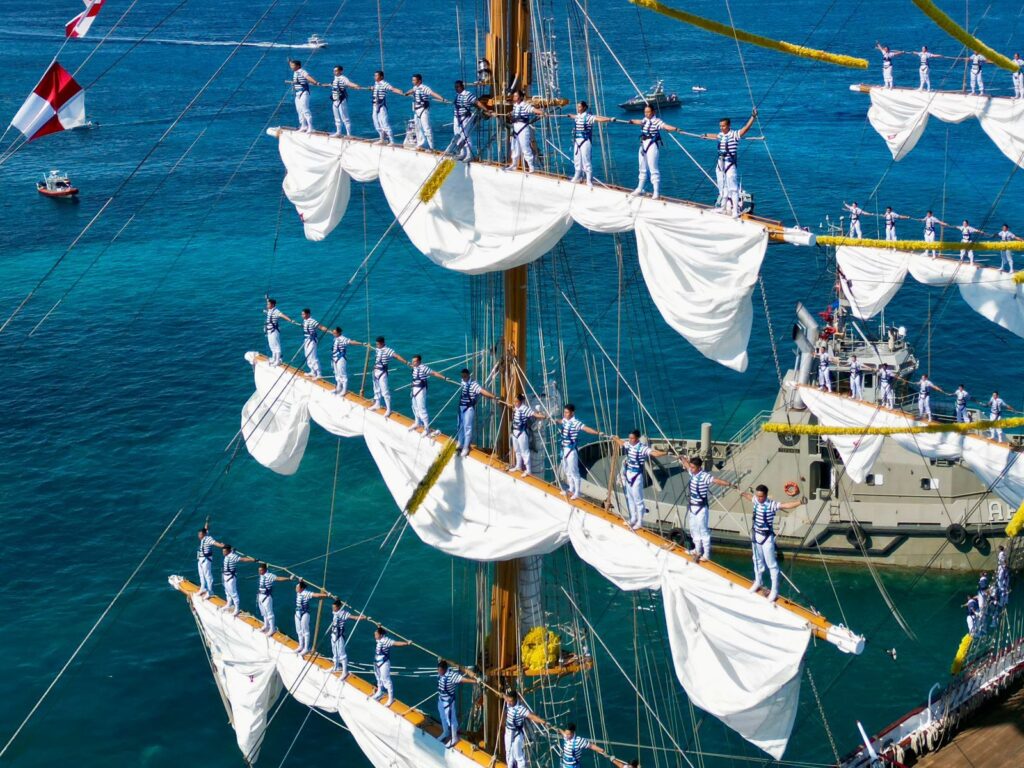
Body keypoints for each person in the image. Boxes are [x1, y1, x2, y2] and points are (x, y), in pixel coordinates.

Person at [739, 485, 805, 602]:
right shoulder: (755, 500)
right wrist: (742, 493)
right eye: (757, 496)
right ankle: (758, 581)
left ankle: (774, 590)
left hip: (767, 537)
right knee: (756, 560)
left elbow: (785, 505)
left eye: (761, 496)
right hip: (756, 536)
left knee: (772, 565)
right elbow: (750, 497)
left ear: (765, 495)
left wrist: (800, 502)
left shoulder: (772, 505)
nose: (759, 498)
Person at [702, 110, 757, 217]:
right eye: (720, 126)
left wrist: (753, 117)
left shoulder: (734, 134)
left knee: (733, 189)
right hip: (720, 164)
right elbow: (714, 136)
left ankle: (735, 210)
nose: (721, 128)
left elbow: (746, 128)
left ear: (728, 126)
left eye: (723, 126)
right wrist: (705, 135)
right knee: (722, 188)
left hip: (730, 164)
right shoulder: (720, 135)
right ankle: (722, 208)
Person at [614, 431, 670, 530]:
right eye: (629, 438)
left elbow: (654, 453)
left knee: (638, 500)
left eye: (632, 438)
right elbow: (622, 443)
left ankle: (640, 521)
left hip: (636, 476)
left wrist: (666, 452)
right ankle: (633, 518)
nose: (630, 440)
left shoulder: (642, 448)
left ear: (637, 438)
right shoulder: (628, 445)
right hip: (628, 475)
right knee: (630, 498)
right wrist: (615, 438)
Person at [685, 456, 734, 561]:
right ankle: (697, 549)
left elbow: (716, 481)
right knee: (694, 529)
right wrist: (682, 459)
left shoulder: (704, 476)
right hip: (692, 507)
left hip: (701, 508)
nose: (691, 469)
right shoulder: (692, 473)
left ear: (698, 467)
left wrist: (729, 484)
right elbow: (686, 465)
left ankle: (706, 554)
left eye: (693, 467)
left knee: (703, 530)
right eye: (691, 467)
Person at [627, 105, 682, 200]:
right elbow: (640, 121)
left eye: (648, 112)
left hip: (652, 145)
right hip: (643, 144)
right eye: (645, 112)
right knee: (642, 167)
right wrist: (631, 121)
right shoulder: (645, 119)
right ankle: (639, 188)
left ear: (653, 112)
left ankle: (656, 192)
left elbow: (665, 126)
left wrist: (676, 129)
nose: (646, 113)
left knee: (653, 168)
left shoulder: (657, 121)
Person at [549, 404, 602, 500]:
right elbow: (562, 421)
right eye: (564, 412)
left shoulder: (576, 423)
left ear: (572, 413)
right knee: (567, 471)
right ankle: (571, 489)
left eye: (567, 412)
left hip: (571, 450)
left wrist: (597, 433)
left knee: (574, 472)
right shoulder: (565, 420)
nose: (565, 414)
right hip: (564, 449)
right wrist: (556, 421)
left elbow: (585, 428)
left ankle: (577, 492)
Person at [559, 101, 611, 187]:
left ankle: (588, 180)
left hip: (585, 141)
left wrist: (609, 119)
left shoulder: (588, 117)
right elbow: (574, 116)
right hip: (577, 141)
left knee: (586, 161)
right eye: (577, 107)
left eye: (579, 107)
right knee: (577, 160)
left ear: (583, 108)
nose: (577, 108)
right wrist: (569, 115)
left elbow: (598, 119)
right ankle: (576, 176)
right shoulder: (578, 116)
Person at [455, 368, 497, 457]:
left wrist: (493, 396)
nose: (463, 378)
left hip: (469, 409)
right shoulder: (463, 382)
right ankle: (460, 444)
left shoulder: (474, 384)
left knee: (467, 428)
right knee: (460, 426)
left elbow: (482, 391)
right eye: (462, 376)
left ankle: (466, 447)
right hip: (461, 408)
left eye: (465, 376)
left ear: (468, 375)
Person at [436, 659, 475, 748]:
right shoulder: (440, 672)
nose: (439, 672)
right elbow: (442, 661)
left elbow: (463, 679)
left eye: (440, 670)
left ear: (445, 669)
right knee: (443, 717)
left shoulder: (452, 676)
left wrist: (475, 681)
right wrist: (442, 659)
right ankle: (445, 732)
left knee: (451, 720)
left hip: (448, 703)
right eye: (438, 670)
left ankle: (454, 737)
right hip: (441, 700)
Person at [404, 74, 448, 150]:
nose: (413, 81)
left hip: (423, 110)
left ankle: (431, 147)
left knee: (426, 128)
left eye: (414, 80)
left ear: (419, 81)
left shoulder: (424, 88)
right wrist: (407, 93)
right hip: (416, 110)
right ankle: (420, 144)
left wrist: (442, 99)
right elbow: (412, 90)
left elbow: (432, 93)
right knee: (418, 128)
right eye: (412, 80)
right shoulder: (415, 87)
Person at [505, 90, 544, 173]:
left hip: (523, 128)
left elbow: (532, 109)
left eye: (516, 96)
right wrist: (510, 114)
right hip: (516, 128)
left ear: (521, 97)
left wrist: (541, 112)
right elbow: (515, 113)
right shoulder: (515, 105)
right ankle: (514, 164)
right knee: (515, 147)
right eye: (514, 96)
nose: (514, 98)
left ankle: (531, 166)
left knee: (525, 147)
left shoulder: (525, 105)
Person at [503, 689, 544, 768]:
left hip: (516, 734)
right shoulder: (508, 703)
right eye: (509, 700)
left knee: (519, 756)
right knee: (509, 753)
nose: (509, 703)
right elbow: (505, 697)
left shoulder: (521, 709)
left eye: (511, 701)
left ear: (515, 699)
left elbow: (532, 716)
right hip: (508, 732)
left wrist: (544, 722)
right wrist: (502, 694)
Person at [372, 625, 412, 706]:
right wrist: (379, 626)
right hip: (377, 662)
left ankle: (390, 698)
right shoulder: (378, 639)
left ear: (380, 635)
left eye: (376, 634)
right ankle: (380, 691)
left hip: (384, 663)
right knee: (378, 677)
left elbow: (396, 643)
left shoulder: (386, 641)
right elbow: (382, 631)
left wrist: (407, 643)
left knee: (386, 680)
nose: (374, 636)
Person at [408, 354, 448, 433]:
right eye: (412, 361)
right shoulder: (414, 367)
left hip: (420, 390)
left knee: (422, 409)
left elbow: (434, 373)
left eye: (414, 361)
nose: (413, 363)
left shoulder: (424, 368)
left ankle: (426, 428)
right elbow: (411, 367)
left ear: (419, 361)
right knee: (414, 407)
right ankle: (417, 422)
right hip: (414, 389)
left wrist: (445, 378)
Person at [452, 80, 489, 161]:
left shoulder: (468, 94)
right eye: (455, 87)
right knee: (457, 135)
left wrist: (486, 109)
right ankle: (462, 153)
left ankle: (469, 155)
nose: (456, 88)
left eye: (457, 87)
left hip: (464, 118)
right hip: (456, 118)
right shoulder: (458, 95)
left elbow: (477, 102)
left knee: (465, 136)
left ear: (462, 87)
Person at [321, 65, 362, 137]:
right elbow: (332, 84)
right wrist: (325, 85)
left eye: (336, 71)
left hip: (341, 100)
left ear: (341, 71)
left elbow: (349, 83)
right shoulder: (335, 78)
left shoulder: (343, 78)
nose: (334, 72)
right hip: (334, 100)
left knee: (345, 117)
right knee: (336, 117)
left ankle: (349, 134)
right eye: (334, 71)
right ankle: (338, 132)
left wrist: (356, 86)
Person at [371, 336, 407, 417]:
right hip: (375, 371)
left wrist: (406, 362)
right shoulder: (377, 349)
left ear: (382, 343)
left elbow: (396, 356)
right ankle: (377, 404)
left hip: (382, 372)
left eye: (378, 344)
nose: (377, 345)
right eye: (376, 344)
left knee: (385, 391)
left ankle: (389, 409)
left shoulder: (388, 350)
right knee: (376, 389)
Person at [508, 393, 543, 476]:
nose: (515, 403)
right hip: (515, 432)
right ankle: (518, 466)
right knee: (517, 451)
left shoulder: (524, 409)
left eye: (516, 401)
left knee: (525, 452)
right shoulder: (516, 408)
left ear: (521, 401)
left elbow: (533, 414)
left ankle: (528, 470)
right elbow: (513, 408)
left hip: (521, 433)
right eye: (514, 401)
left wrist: (543, 416)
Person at [328, 599, 365, 677]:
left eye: (334, 607)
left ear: (338, 607)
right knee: (334, 652)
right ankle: (336, 667)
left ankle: (345, 672)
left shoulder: (343, 613)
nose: (333, 609)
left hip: (339, 636)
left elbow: (354, 617)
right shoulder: (335, 612)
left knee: (342, 654)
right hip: (333, 635)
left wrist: (363, 617)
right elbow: (337, 604)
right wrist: (337, 599)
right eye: (333, 607)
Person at [294, 579, 331, 656]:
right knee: (299, 631)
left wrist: (327, 595)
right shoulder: (299, 592)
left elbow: (316, 595)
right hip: (297, 613)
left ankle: (306, 648)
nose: (296, 588)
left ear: (301, 588)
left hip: (304, 614)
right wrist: (300, 580)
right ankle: (301, 645)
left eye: (297, 587)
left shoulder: (305, 593)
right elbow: (301, 584)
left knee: (305, 632)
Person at [369, 70, 404, 144]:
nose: (375, 77)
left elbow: (392, 88)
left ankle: (392, 141)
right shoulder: (376, 84)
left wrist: (399, 91)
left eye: (376, 75)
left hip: (381, 106)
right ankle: (382, 139)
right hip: (375, 106)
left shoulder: (384, 84)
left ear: (381, 77)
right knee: (376, 122)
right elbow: (375, 90)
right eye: (374, 75)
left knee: (384, 123)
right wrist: (372, 88)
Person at [220, 544, 255, 616]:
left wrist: (252, 560)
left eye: (224, 551)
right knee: (227, 591)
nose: (223, 553)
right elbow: (231, 551)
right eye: (223, 551)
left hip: (230, 578)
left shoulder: (232, 556)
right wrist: (233, 550)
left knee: (233, 593)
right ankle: (229, 604)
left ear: (228, 551)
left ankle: (237, 609)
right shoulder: (229, 554)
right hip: (225, 576)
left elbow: (243, 559)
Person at [287, 60, 320, 133]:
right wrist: (290, 61)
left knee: (305, 109)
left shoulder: (302, 71)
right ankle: (303, 126)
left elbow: (308, 77)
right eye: (291, 65)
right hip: (297, 93)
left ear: (298, 66)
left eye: (293, 65)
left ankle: (310, 127)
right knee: (299, 110)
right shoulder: (295, 72)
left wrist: (315, 82)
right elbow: (291, 64)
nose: (291, 67)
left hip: (304, 92)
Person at [256, 563, 289, 635]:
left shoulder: (269, 575)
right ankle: (266, 625)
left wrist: (288, 578)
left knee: (269, 613)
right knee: (264, 613)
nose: (259, 572)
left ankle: (272, 628)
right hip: (260, 596)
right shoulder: (262, 575)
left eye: (261, 570)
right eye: (259, 570)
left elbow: (278, 578)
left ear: (265, 570)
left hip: (266, 597)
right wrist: (266, 565)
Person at [331, 327, 365, 396]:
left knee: (342, 374)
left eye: (335, 333)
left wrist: (361, 343)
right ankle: (338, 388)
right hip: (334, 358)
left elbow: (351, 342)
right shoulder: (335, 338)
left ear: (339, 333)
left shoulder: (343, 339)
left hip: (340, 358)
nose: (333, 334)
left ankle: (344, 390)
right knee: (337, 373)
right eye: (333, 332)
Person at [299, 309, 330, 380]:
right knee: (307, 356)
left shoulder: (312, 321)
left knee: (313, 357)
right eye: (302, 314)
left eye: (303, 314)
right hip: (306, 340)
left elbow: (321, 327)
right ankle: (312, 371)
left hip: (312, 340)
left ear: (308, 314)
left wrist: (330, 331)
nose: (302, 315)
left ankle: (319, 374)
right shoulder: (305, 321)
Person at [264, 298, 294, 366]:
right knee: (271, 345)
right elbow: (268, 305)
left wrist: (290, 320)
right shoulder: (270, 310)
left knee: (276, 345)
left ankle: (278, 361)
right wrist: (267, 298)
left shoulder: (276, 311)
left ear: (273, 305)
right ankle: (274, 358)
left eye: (268, 304)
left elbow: (282, 315)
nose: (267, 305)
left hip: (274, 331)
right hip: (269, 331)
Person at [196, 527, 224, 598]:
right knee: (201, 575)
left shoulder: (208, 539)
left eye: (200, 534)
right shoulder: (204, 536)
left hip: (206, 560)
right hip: (200, 559)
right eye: (198, 534)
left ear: (204, 534)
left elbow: (215, 543)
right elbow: (206, 528)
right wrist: (207, 522)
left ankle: (210, 591)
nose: (199, 536)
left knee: (208, 576)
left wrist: (222, 546)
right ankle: (202, 588)